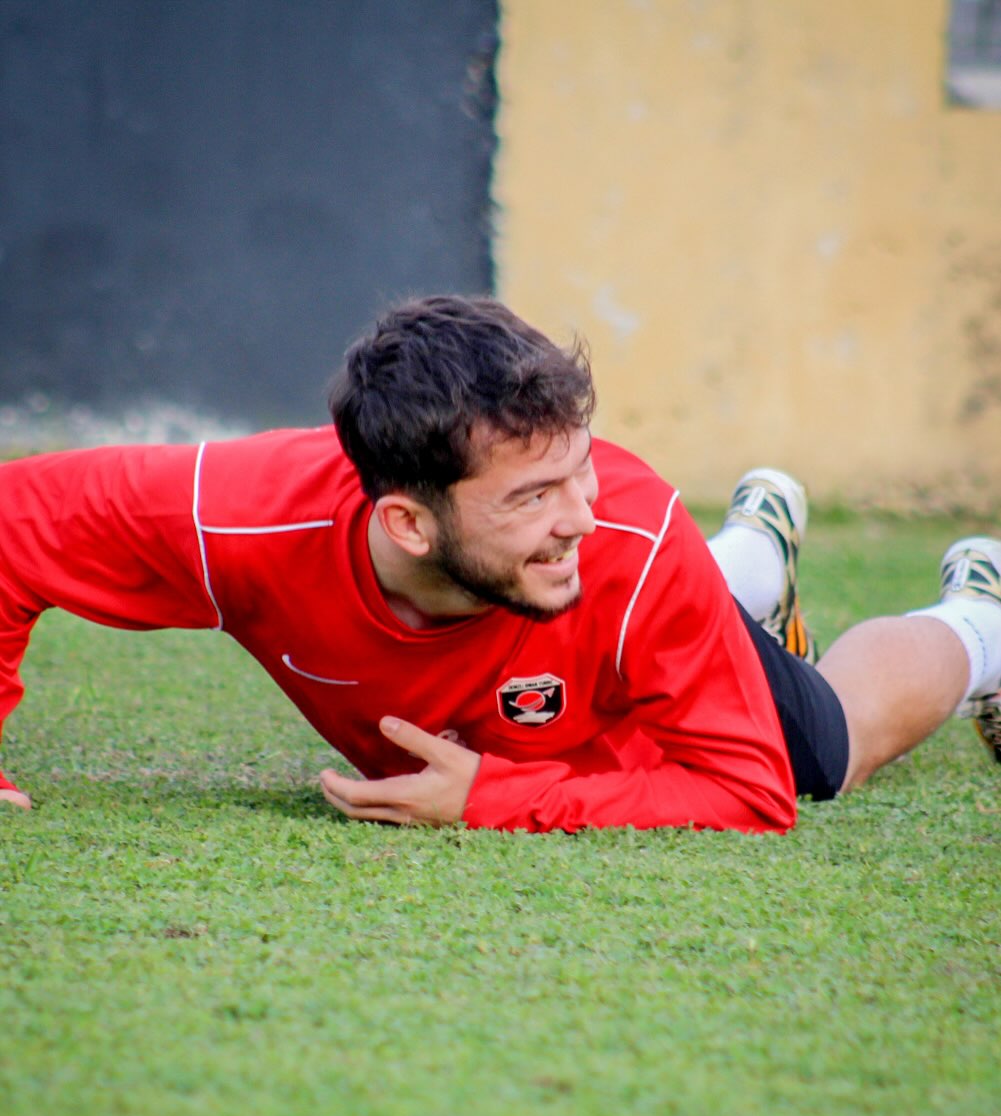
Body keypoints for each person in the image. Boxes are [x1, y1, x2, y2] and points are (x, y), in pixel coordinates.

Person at [0, 295, 998, 832]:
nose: (579, 514)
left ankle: (978, 619)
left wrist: (492, 798)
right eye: (531, 494)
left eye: (578, 469)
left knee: (819, 753)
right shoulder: (247, 517)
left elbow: (744, 792)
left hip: (652, 606)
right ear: (407, 524)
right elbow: (14, 520)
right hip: (632, 611)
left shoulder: (624, 532)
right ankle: (747, 563)